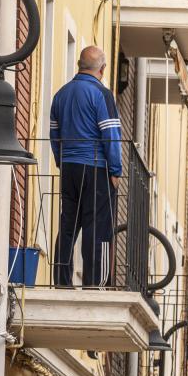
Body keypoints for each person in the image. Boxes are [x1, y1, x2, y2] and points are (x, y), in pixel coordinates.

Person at [49, 47, 123, 287]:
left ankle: (62, 281)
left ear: (79, 65)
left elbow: (54, 133)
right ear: (102, 69)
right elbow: (110, 134)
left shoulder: (60, 95)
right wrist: (115, 170)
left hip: (69, 167)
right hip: (95, 168)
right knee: (98, 228)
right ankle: (95, 284)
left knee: (68, 224)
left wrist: (62, 161)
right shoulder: (102, 94)